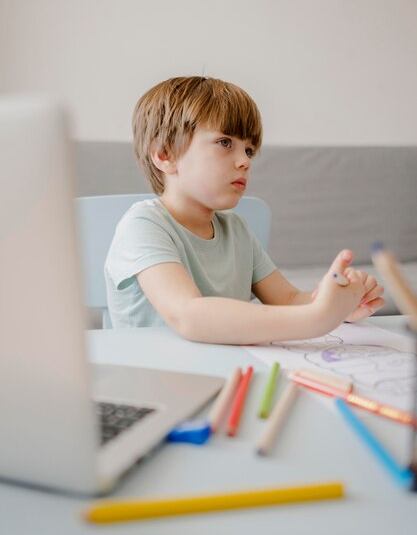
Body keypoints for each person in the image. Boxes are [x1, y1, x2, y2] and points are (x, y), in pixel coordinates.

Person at [105, 76, 385, 344]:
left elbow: (287, 300)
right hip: (158, 381)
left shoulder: (236, 229)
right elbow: (188, 314)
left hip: (227, 368)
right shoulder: (143, 225)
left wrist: (337, 307)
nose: (244, 161)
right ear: (165, 155)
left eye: (249, 150)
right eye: (225, 142)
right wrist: (315, 318)